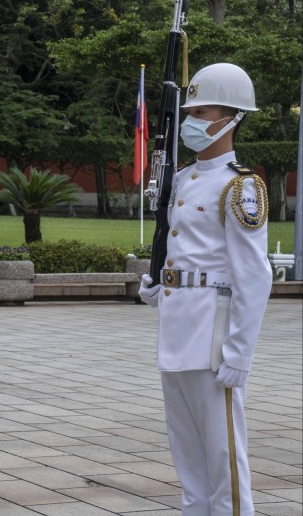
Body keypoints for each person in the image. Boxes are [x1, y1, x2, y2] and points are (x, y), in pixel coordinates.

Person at [139, 62, 271, 516]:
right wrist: (159, 282)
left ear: (231, 117)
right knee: (187, 451)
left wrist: (239, 352)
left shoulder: (241, 186)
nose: (191, 121)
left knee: (222, 453)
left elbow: (255, 276)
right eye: (190, 110)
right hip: (178, 327)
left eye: (202, 111)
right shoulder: (183, 179)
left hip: (212, 336)